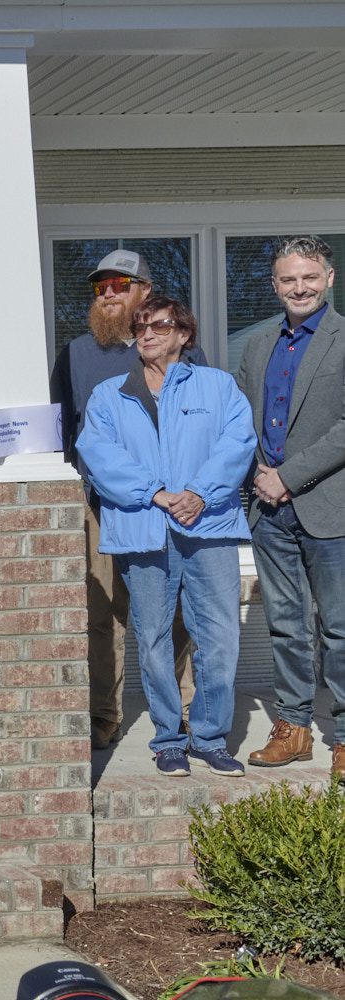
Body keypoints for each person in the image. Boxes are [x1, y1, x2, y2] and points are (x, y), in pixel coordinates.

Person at [76, 297, 255, 778]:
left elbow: (237, 443)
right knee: (153, 636)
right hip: (143, 531)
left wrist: (200, 492)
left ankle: (211, 737)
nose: (148, 333)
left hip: (208, 526)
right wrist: (154, 493)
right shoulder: (109, 395)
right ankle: (168, 739)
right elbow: (98, 452)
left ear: (184, 334)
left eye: (160, 325)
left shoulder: (218, 387)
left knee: (218, 637)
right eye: (140, 326)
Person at [51, 249, 199, 751]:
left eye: (119, 283)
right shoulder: (74, 353)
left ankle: (182, 708)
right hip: (99, 505)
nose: (108, 293)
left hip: (168, 506)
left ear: (145, 291)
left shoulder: (171, 348)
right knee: (102, 613)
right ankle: (103, 713)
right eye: (100, 287)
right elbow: (60, 431)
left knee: (175, 611)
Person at [236, 236, 345, 783]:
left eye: (309, 277)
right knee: (284, 626)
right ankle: (295, 727)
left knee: (341, 628)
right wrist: (257, 475)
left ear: (328, 277)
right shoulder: (257, 347)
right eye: (287, 279)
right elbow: (244, 425)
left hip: (330, 511)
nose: (298, 287)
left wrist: (288, 476)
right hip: (269, 511)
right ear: (275, 285)